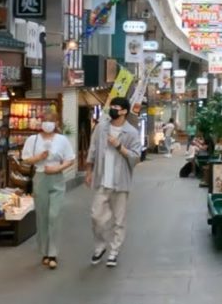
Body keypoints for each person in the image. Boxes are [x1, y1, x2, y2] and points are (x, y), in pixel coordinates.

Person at [85, 97, 141, 268]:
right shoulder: (101, 128)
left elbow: (135, 157)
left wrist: (118, 146)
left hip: (121, 182)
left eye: (116, 107)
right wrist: (89, 171)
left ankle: (114, 251)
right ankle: (100, 246)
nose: (113, 109)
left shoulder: (131, 132)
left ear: (124, 111)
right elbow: (92, 149)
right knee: (96, 217)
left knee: (119, 219)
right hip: (102, 179)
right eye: (112, 106)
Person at [22, 112, 75, 269]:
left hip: (57, 177)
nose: (48, 124)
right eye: (45, 121)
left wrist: (58, 167)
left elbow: (70, 159)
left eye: (51, 121)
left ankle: (53, 253)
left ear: (56, 123)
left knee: (54, 215)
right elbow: (26, 159)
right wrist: (39, 157)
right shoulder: (33, 139)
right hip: (40, 177)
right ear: (40, 123)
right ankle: (44, 251)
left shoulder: (62, 140)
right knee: (42, 216)